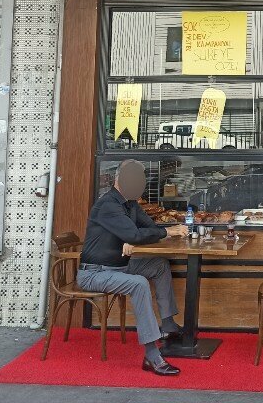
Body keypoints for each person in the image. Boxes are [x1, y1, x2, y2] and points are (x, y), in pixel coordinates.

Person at [77, 159, 189, 376]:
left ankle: (168, 325)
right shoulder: (108, 204)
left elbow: (149, 228)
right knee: (139, 284)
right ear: (118, 179)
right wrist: (156, 233)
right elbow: (136, 234)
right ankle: (152, 356)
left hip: (118, 267)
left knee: (159, 265)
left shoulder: (131, 204)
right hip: (94, 273)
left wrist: (134, 238)